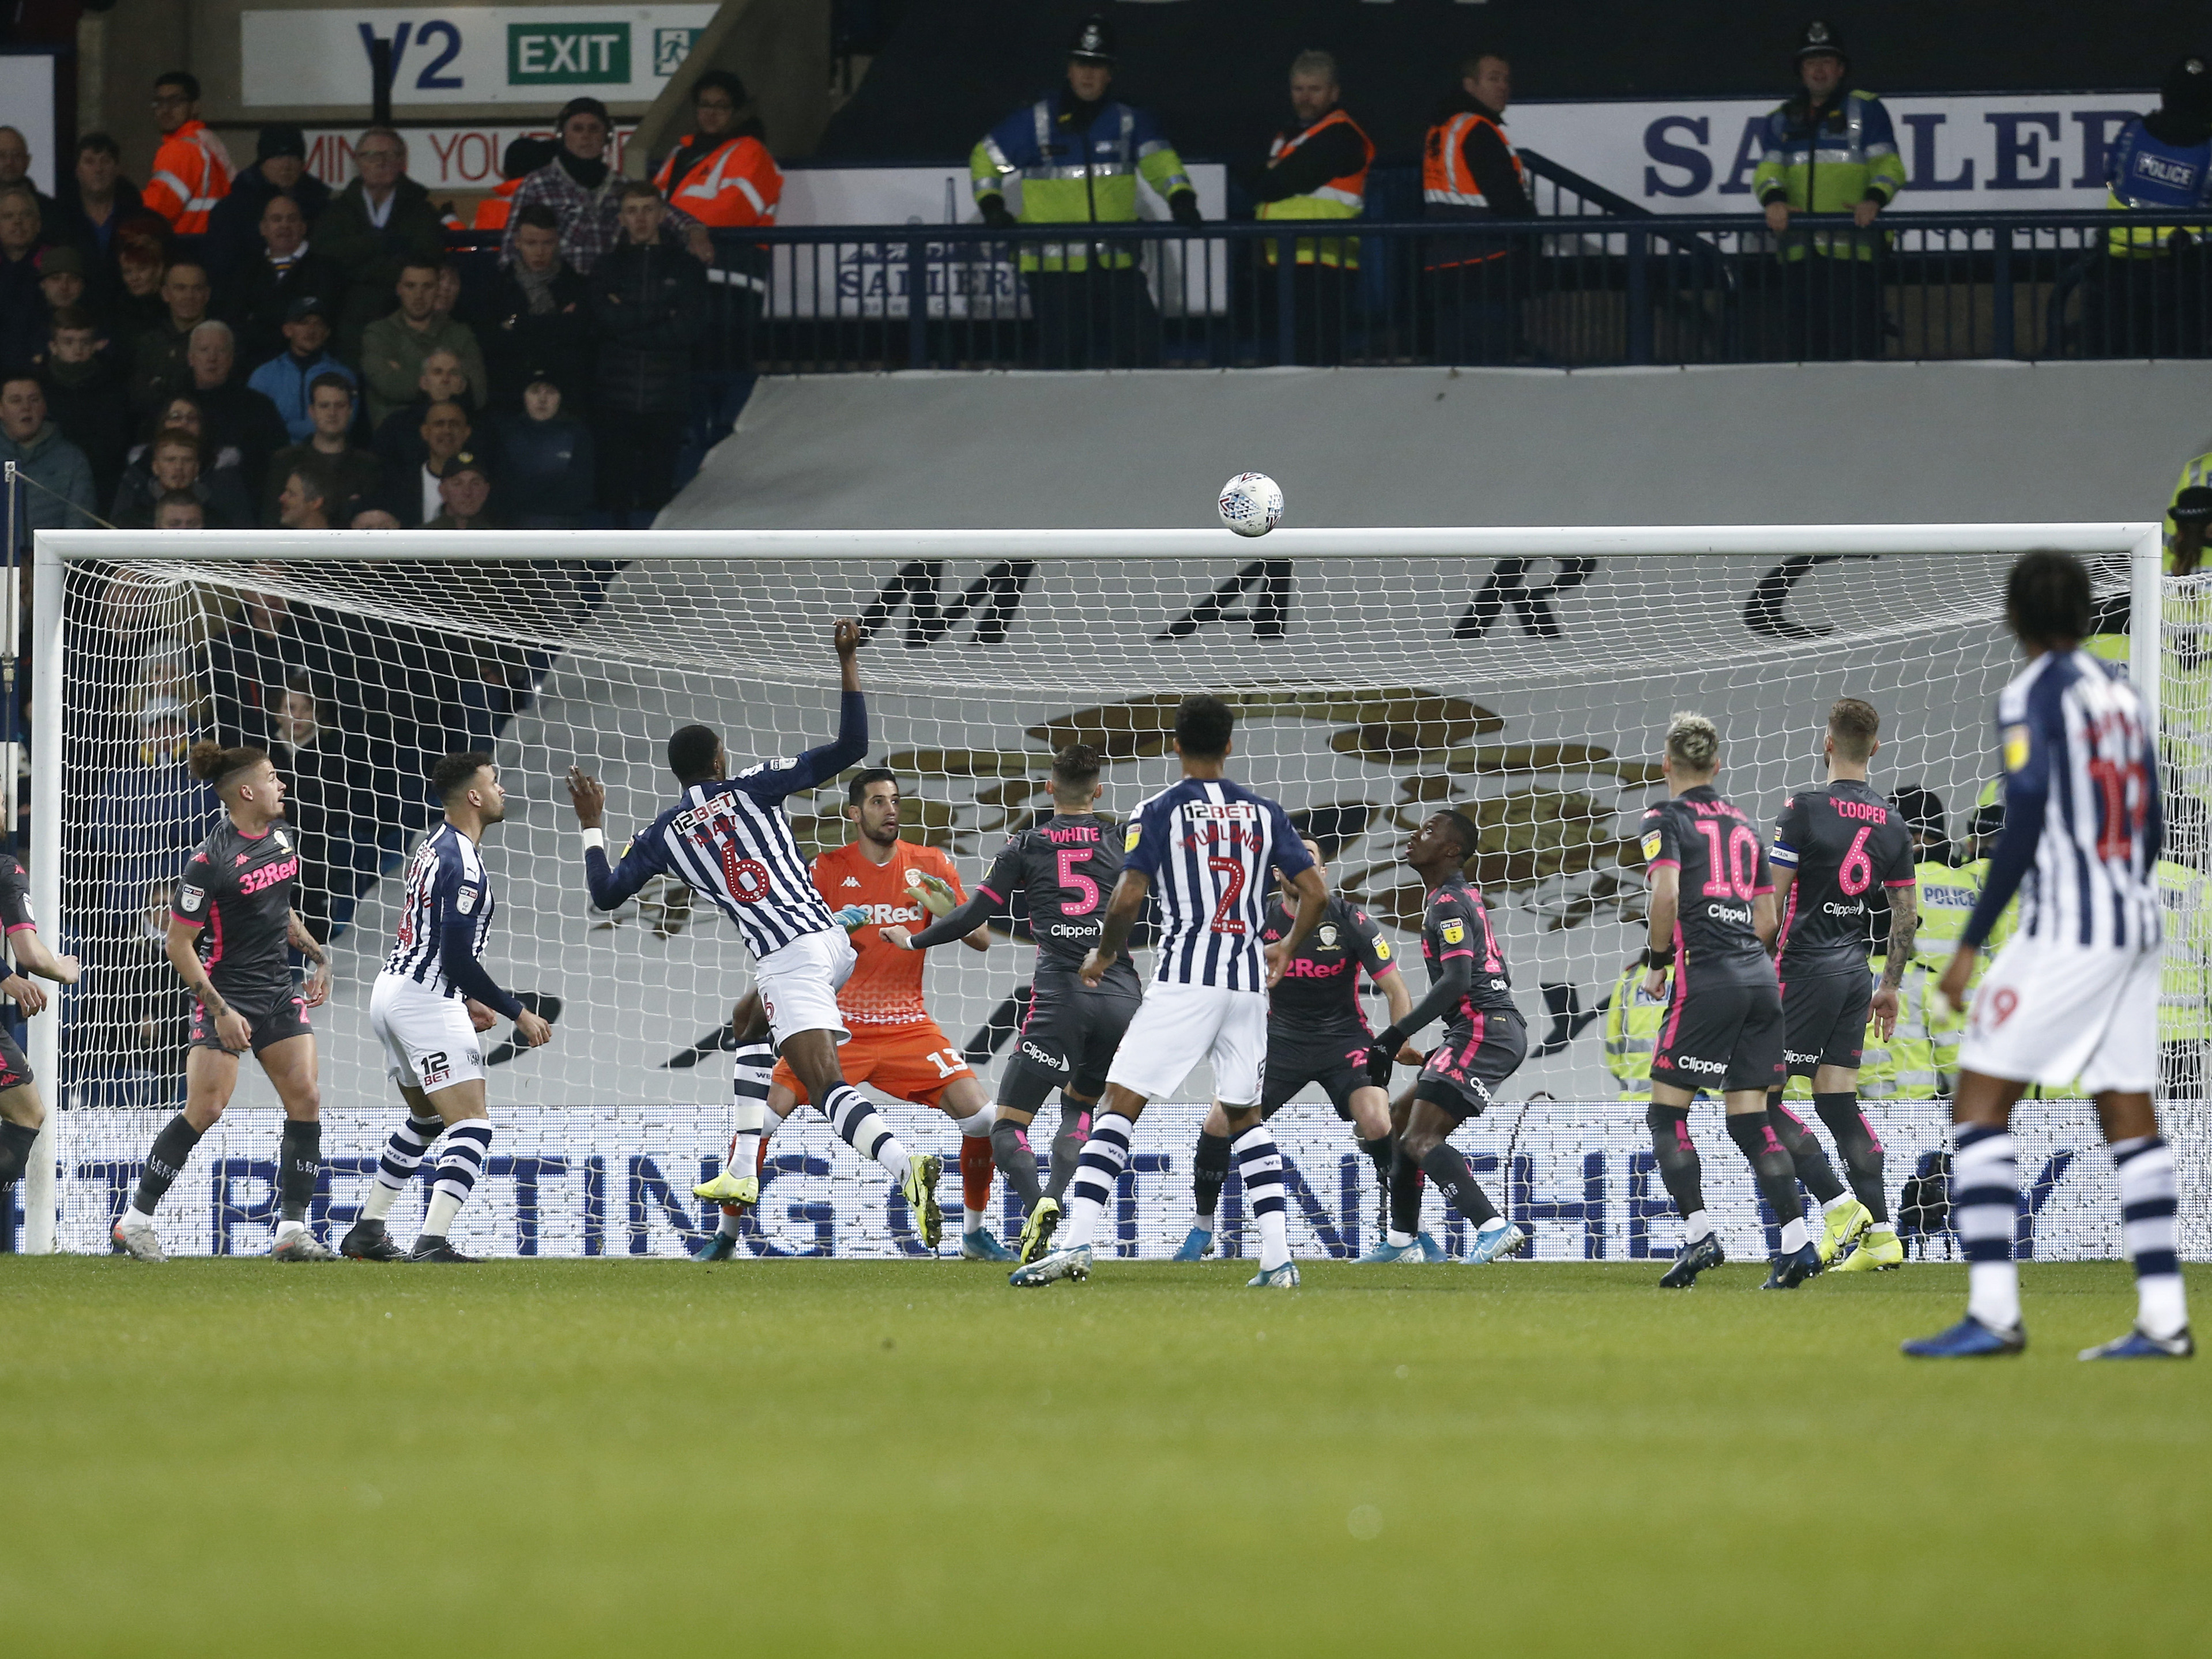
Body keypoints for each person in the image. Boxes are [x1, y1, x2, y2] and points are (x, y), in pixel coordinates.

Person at [567, 621, 947, 1247]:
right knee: (747, 1021)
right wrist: (846, 660)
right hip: (829, 941)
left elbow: (605, 892)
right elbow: (853, 745)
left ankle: (907, 1167)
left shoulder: (662, 834)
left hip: (788, 959)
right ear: (719, 760)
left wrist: (592, 824)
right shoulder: (753, 785)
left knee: (825, 1087)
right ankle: (742, 1172)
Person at [1906, 552, 2190, 1359]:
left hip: (2070, 923)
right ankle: (2163, 1317)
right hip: (2135, 918)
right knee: (2128, 1110)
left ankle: (1993, 1311)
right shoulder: (2124, 697)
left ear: (2017, 617)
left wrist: (1968, 945)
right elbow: (2157, 816)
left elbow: (2022, 820)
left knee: (1978, 1099)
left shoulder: (2031, 693)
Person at [1012, 695, 1327, 1291]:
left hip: (1187, 977)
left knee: (1118, 1104)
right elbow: (1314, 890)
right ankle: (1278, 1257)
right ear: (1230, 745)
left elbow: (1129, 895)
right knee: (1245, 1116)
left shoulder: (1159, 809)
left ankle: (1076, 1244)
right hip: (1246, 982)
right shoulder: (1264, 812)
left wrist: (1105, 953)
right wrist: (1285, 948)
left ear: (1176, 746)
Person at [690, 766, 999, 1261]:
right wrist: (827, 926)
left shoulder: (929, 864)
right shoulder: (826, 870)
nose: (890, 810)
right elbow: (790, 942)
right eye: (877, 802)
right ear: (854, 813)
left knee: (983, 1119)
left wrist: (941, 904)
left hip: (907, 1027)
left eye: (895, 800)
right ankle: (726, 1238)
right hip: (833, 1028)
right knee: (758, 1120)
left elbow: (981, 940)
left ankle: (975, 1234)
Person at [881, 741, 1139, 1265]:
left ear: (1049, 789)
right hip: (1121, 998)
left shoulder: (1027, 844)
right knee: (1080, 1108)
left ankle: (1035, 1204)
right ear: (1098, 791)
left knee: (1008, 1125)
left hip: (1061, 999)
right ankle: (1059, 1197)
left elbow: (971, 916)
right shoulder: (1120, 840)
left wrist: (912, 940)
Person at [110, 741, 337, 1264]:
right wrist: (221, 1010)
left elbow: (281, 914)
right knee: (207, 1109)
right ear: (246, 790)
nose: (282, 785)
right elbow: (178, 944)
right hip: (225, 993)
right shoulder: (208, 862)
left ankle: (291, 1232)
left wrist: (319, 956)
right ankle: (134, 1223)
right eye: (273, 777)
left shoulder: (283, 837)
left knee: (305, 1098)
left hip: (278, 991)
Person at [344, 753, 552, 1263]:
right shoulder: (462, 864)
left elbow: (438, 943)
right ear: (474, 797)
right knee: (473, 1125)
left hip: (393, 990)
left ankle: (367, 1232)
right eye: (494, 782)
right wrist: (515, 1011)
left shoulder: (435, 846)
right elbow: (456, 955)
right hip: (423, 1001)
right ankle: (432, 1241)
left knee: (427, 1121)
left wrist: (467, 996)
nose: (502, 789)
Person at [1638, 712, 1814, 1290]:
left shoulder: (1664, 818)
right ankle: (1796, 1243)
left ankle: (1699, 1234)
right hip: (1759, 978)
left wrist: (1658, 962)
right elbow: (1770, 918)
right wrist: (1745, 960)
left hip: (1706, 974)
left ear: (1667, 763)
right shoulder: (1743, 824)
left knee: (1666, 1113)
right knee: (1749, 1117)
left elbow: (1665, 892)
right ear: (1717, 765)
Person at [1176, 836, 1412, 1260]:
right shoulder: (1253, 918)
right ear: (1278, 872)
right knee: (1217, 1122)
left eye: (1311, 860)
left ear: (1322, 873)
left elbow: (1394, 988)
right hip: (1277, 1041)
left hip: (1343, 1039)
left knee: (1378, 1121)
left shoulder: (1350, 919)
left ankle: (1403, 1230)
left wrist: (1398, 1040)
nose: (1302, 865)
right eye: (1293, 859)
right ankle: (1202, 1229)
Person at [1763, 698, 1918, 1273]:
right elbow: (1905, 917)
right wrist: (1890, 985)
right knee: (1836, 1102)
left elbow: (1771, 905)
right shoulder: (1895, 823)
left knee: (1757, 1098)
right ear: (1874, 748)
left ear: (1826, 742)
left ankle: (1839, 1206)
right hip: (1856, 973)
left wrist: (1751, 976)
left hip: (1802, 968)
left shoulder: (1802, 809)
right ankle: (1880, 1238)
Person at [969, 14, 1203, 369]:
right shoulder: (1036, 122)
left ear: (1111, 72)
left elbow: (1162, 164)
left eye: (1097, 65)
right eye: (1081, 63)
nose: (1088, 74)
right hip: (1054, 275)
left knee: (1145, 358)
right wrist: (991, 204)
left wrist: (1181, 198)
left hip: (1116, 266)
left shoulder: (1128, 120)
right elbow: (986, 160)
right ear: (1068, 68)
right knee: (1064, 371)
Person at [1356, 811, 1529, 1265]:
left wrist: (1392, 1036)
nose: (1415, 835)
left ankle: (1492, 1227)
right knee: (1397, 1118)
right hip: (1481, 1028)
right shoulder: (1453, 897)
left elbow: (1455, 980)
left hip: (1483, 1029)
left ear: (1452, 850)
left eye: (1429, 831)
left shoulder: (1449, 903)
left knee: (1419, 1139)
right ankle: (1401, 1241)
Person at [1751, 22, 1905, 361]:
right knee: (1804, 357)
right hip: (1799, 260)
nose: (1818, 71)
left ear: (1841, 69)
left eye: (1826, 62)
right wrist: (1774, 200)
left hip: (1855, 257)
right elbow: (1768, 170)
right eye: (1810, 63)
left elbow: (1889, 167)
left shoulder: (1866, 109)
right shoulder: (1781, 118)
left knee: (1857, 355)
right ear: (1801, 71)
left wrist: (1873, 200)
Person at [653, 69, 781, 467]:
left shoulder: (750, 152)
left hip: (733, 280)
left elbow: (731, 211)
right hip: (685, 279)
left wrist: (675, 225)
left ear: (735, 111)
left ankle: (729, 454)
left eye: (720, 106)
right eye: (705, 105)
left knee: (727, 367)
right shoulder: (678, 155)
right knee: (691, 369)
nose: (711, 114)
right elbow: (649, 207)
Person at [1244, 51, 1373, 367]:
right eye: (1299, 89)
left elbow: (1269, 185)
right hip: (1287, 260)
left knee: (1315, 363)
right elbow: (1253, 178)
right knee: (1290, 365)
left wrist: (1271, 171)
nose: (1305, 98)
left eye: (1315, 90)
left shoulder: (1341, 134)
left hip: (1324, 263)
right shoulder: (1289, 135)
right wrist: (1270, 173)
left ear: (1334, 93)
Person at [590, 180, 707, 525]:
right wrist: (660, 312)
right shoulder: (605, 266)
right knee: (614, 501)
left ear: (661, 214)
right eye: (632, 211)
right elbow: (605, 321)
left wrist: (629, 320)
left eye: (647, 209)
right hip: (614, 402)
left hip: (666, 400)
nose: (640, 218)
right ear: (621, 218)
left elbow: (688, 329)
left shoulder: (687, 267)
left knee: (658, 502)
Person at [2086, 56, 2212, 357]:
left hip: (2116, 270)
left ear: (2165, 94)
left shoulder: (2131, 133)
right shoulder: (2208, 151)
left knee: (2112, 365)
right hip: (2186, 279)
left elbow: (2111, 177)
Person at [502, 96, 711, 277]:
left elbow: (670, 216)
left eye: (594, 129)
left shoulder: (624, 187)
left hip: (613, 296)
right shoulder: (537, 185)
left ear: (608, 137)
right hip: (560, 300)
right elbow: (511, 252)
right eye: (577, 128)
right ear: (562, 135)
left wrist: (695, 233)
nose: (586, 136)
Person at [1422, 51, 1535, 364]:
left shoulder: (1443, 128)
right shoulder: (1477, 130)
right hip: (1485, 263)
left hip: (1443, 265)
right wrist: (1532, 233)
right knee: (1492, 369)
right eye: (1493, 79)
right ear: (1470, 85)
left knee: (1454, 370)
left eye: (1506, 80)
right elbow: (1508, 200)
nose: (1503, 87)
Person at [314, 129, 447, 360]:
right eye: (372, 155)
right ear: (358, 162)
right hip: (348, 323)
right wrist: (382, 242)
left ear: (402, 161)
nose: (381, 163)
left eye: (390, 155)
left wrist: (359, 267)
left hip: (406, 320)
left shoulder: (421, 210)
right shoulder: (337, 212)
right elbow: (325, 259)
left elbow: (426, 258)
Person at [0, 847, 83, 1194]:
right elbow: (31, 955)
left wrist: (5, 976)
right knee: (26, 1114)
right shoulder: (6, 869)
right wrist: (63, 971)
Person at [479, 203, 594, 414]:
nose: (540, 252)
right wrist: (558, 322)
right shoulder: (496, 287)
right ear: (518, 243)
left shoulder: (577, 285)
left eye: (547, 243)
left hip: (566, 396)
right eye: (532, 243)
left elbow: (580, 336)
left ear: (557, 242)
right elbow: (491, 342)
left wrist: (516, 323)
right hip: (512, 396)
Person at [221, 193, 344, 369]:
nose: (284, 225)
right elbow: (235, 325)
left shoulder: (327, 270)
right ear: (263, 228)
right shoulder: (244, 272)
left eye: (292, 219)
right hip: (253, 369)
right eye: (277, 219)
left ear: (303, 227)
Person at [360, 259, 489, 427]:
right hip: (398, 439)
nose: (419, 295)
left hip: (450, 436)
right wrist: (451, 378)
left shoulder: (459, 333)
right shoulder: (379, 333)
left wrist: (405, 373)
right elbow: (388, 385)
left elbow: (478, 394)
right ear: (399, 289)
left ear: (437, 290)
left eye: (427, 287)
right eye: (411, 286)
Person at [203, 124, 330, 286]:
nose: (286, 165)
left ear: (303, 163)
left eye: (293, 157)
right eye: (277, 157)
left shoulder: (321, 206)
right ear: (262, 162)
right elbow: (221, 270)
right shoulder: (231, 211)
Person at [182, 319, 289, 493]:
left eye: (221, 350)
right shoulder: (172, 406)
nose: (212, 358)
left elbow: (276, 466)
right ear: (191, 358)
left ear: (231, 358)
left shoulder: (259, 407)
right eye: (204, 350)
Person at [37, 307, 132, 500]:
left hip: (100, 483)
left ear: (95, 345)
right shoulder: (37, 388)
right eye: (69, 342)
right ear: (53, 346)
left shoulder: (113, 386)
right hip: (44, 481)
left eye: (85, 342)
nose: (78, 350)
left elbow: (115, 443)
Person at [262, 371, 379, 525]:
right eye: (324, 406)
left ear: (350, 411)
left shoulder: (369, 465)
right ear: (312, 412)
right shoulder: (285, 461)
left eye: (340, 406)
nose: (332, 413)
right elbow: (271, 522)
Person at [247, 298, 355, 443]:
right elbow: (255, 425)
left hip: (328, 458)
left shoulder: (344, 375)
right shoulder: (264, 375)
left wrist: (283, 426)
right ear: (287, 330)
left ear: (327, 332)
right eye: (303, 322)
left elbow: (343, 423)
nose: (311, 330)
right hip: (276, 459)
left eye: (318, 324)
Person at [492, 374, 594, 527]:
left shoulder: (578, 436)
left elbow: (580, 492)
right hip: (516, 525)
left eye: (551, 392)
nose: (543, 399)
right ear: (524, 396)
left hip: (565, 526)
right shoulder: (507, 434)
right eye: (535, 392)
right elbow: (504, 489)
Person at [142, 71, 233, 237]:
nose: (166, 109)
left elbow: (156, 210)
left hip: (186, 247)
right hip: (209, 245)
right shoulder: (206, 142)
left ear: (195, 107)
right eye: (159, 102)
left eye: (176, 101)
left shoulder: (181, 149)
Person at [0, 373, 96, 528]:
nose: (26, 407)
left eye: (34, 400)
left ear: (44, 406)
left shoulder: (72, 459)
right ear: (1, 409)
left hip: (53, 552)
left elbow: (80, 524)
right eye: (16, 401)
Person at [52, 132, 145, 289]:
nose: (98, 169)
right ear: (77, 170)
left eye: (106, 161)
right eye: (89, 162)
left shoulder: (138, 219)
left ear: (117, 169)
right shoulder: (58, 219)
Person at [126, 259, 212, 416]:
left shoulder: (223, 341)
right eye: (180, 288)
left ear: (207, 295)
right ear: (165, 294)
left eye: (197, 289)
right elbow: (139, 400)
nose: (189, 296)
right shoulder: (149, 343)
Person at [377, 398, 475, 528]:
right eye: (439, 424)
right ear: (425, 432)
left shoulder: (481, 484)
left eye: (454, 424)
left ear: (466, 432)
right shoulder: (398, 485)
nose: (447, 431)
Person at [470, 137, 555, 233]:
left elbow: (469, 246)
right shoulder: (557, 206)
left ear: (505, 173)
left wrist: (451, 222)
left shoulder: (490, 210)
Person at [0, 126, 57, 228]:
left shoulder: (50, 210)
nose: (9, 162)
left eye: (16, 155)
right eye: (2, 156)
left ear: (27, 161)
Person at [425, 454, 498, 529]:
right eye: (458, 484)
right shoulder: (422, 537)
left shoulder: (501, 538)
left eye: (475, 484)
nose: (467, 492)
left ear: (486, 491)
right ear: (443, 491)